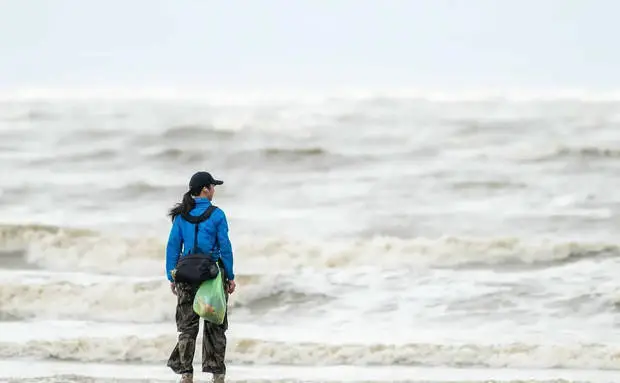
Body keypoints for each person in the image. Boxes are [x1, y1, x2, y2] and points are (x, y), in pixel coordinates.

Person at [165, 171, 236, 383]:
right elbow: (225, 247)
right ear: (205, 189)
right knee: (215, 325)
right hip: (212, 276)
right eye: (213, 186)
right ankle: (217, 376)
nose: (214, 190)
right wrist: (230, 276)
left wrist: (172, 275)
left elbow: (173, 247)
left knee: (187, 328)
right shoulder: (217, 214)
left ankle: (186, 375)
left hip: (185, 275)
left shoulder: (181, 216)